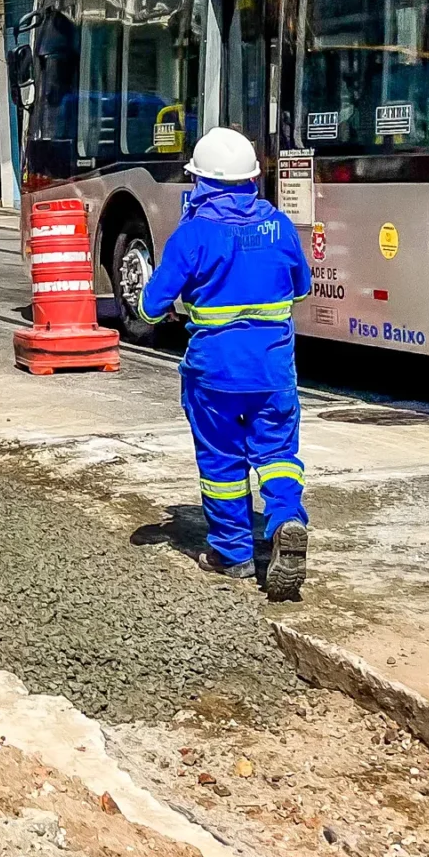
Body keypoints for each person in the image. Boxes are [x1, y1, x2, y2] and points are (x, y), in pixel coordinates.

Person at [137, 127, 314, 600]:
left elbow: (150, 308)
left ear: (201, 182)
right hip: (274, 371)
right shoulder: (278, 225)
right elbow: (301, 287)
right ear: (252, 179)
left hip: (214, 374)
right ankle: (286, 520)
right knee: (278, 456)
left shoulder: (192, 235)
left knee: (221, 463)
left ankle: (232, 554)